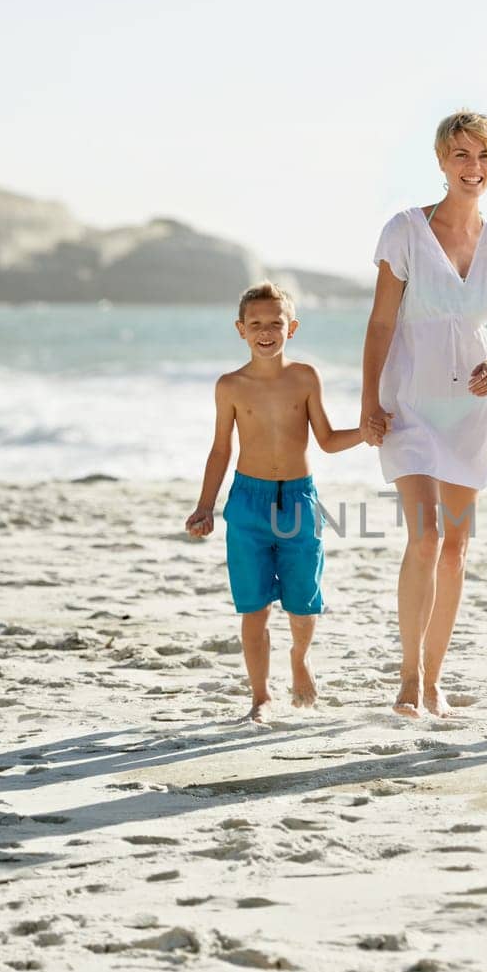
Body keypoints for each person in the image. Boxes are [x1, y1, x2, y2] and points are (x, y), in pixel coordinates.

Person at [361, 111, 487, 719]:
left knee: (456, 547)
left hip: (473, 405)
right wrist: (368, 403)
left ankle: (434, 679)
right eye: (460, 155)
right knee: (426, 536)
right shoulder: (405, 231)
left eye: (482, 156)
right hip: (409, 399)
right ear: (440, 162)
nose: (472, 168)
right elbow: (382, 322)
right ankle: (408, 679)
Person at [185, 281, 362, 723]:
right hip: (248, 502)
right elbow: (221, 450)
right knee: (254, 604)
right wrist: (205, 505)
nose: (266, 331)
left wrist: (367, 433)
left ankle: (299, 658)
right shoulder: (229, 386)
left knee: (304, 600)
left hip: (299, 500)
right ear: (240, 329)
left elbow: (326, 439)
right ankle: (260, 695)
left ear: (292, 328)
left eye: (275, 323)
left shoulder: (305, 377)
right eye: (256, 324)